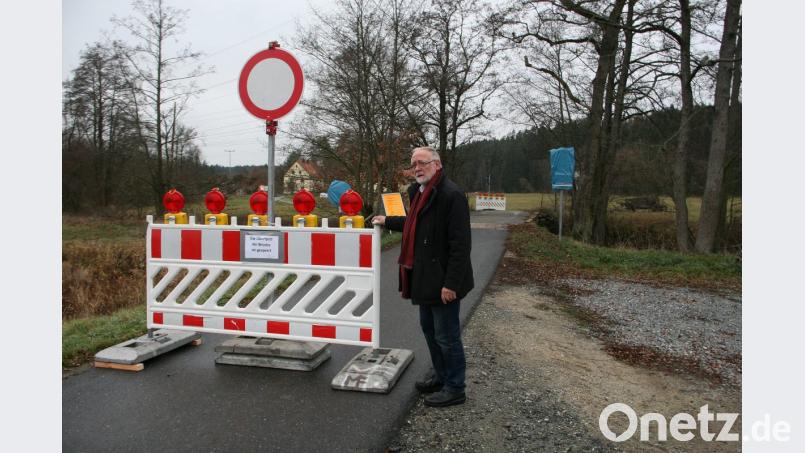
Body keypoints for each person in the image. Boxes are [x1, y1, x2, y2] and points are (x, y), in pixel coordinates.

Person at [372, 146, 474, 407]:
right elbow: (414, 223)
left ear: (437, 165)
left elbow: (461, 245)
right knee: (430, 331)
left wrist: (451, 283)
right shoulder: (419, 193)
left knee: (447, 336)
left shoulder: (451, 195)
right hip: (425, 278)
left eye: (422, 163)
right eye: (413, 164)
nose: (417, 168)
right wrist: (388, 221)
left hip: (443, 281)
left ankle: (455, 387)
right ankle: (441, 376)